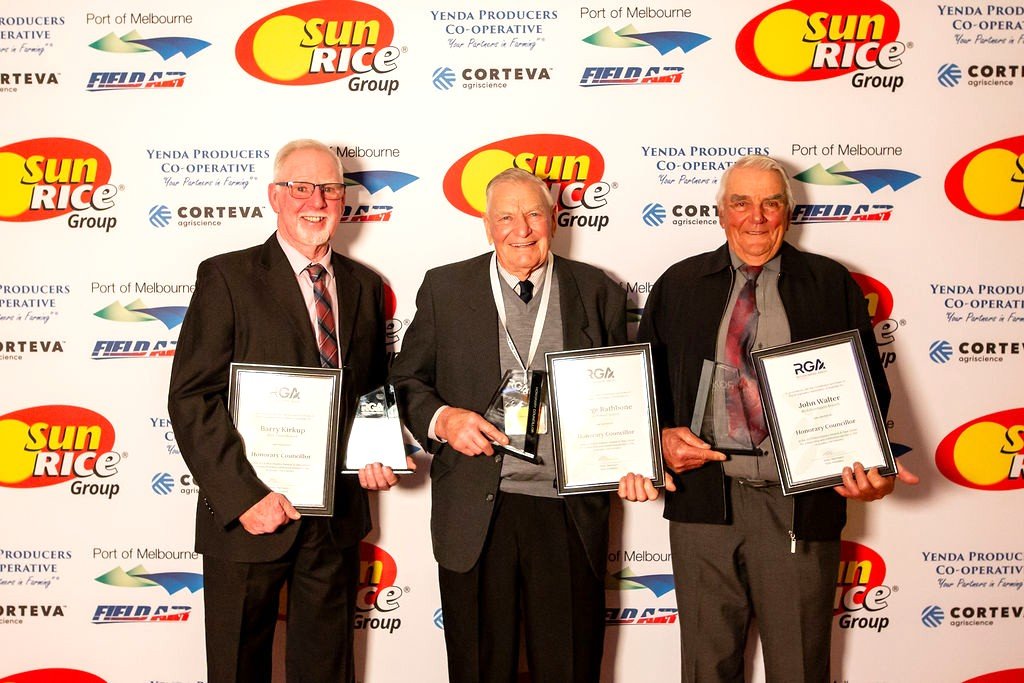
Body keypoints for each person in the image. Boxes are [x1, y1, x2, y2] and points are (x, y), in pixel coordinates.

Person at [631, 155, 918, 682]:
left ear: (788, 211)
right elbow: (640, 392)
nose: (755, 217)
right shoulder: (680, 283)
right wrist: (659, 438)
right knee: (705, 668)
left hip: (800, 506)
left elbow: (868, 389)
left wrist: (869, 464)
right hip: (703, 504)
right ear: (720, 212)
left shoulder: (830, 283)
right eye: (741, 202)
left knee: (800, 668)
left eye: (771, 202)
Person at [167, 139, 412, 683]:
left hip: (333, 520)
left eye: (330, 188)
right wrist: (244, 498)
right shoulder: (226, 277)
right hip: (249, 515)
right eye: (302, 187)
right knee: (237, 668)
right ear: (276, 196)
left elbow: (371, 391)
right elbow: (192, 397)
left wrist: (376, 451)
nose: (317, 200)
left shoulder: (365, 286)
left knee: (325, 669)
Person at [390, 168, 627, 682]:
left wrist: (636, 455)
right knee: (479, 668)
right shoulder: (445, 287)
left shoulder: (596, 289)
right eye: (506, 216)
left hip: (567, 510)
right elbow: (406, 380)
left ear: (555, 219)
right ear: (486, 225)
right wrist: (443, 418)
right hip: (476, 511)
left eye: (534, 214)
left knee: (568, 667)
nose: (522, 228)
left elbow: (625, 393)